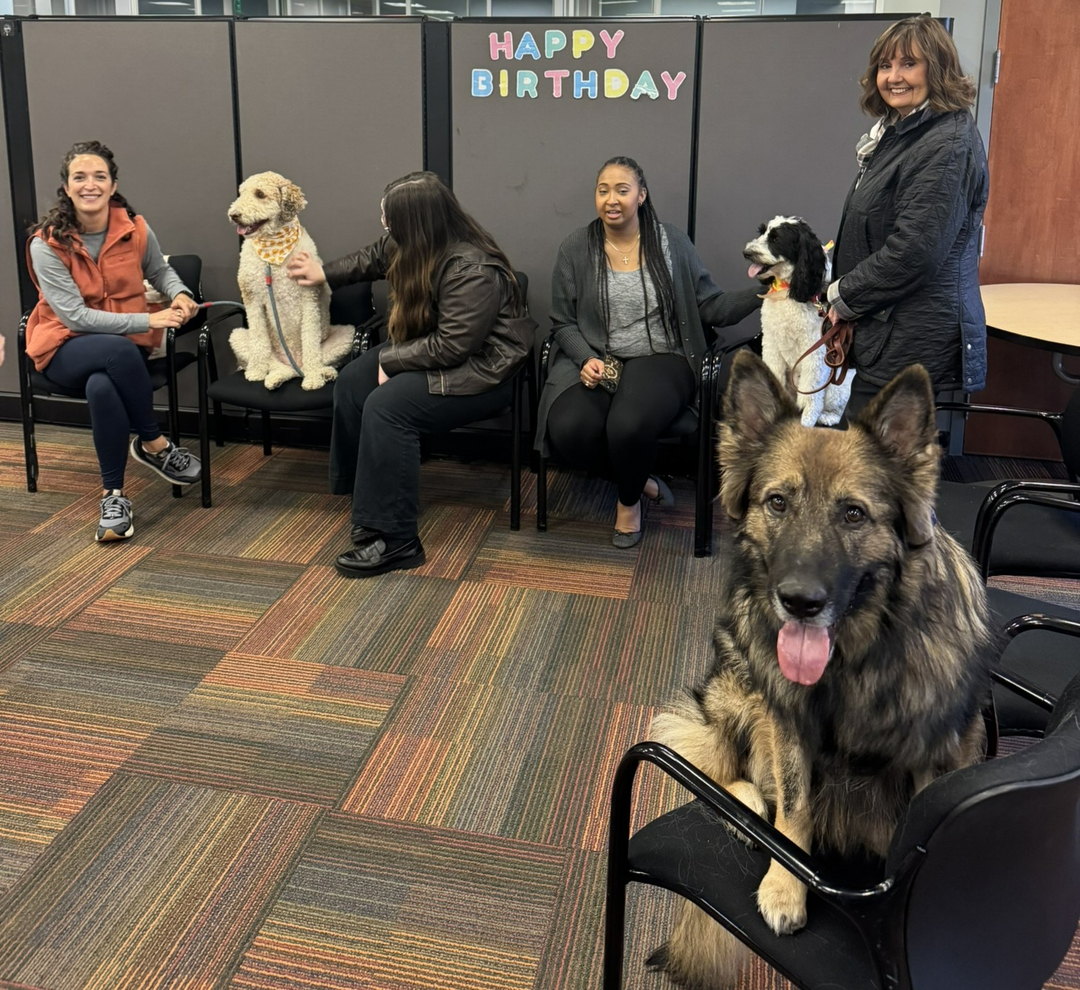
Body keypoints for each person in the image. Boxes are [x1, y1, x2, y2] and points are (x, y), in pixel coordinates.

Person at [286, 171, 535, 577]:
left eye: (389, 218)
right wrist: (323, 272)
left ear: (414, 222)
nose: (384, 224)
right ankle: (367, 496)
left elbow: (455, 346)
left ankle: (398, 540)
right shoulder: (410, 242)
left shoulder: (471, 267)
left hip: (485, 371)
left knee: (386, 407)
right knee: (351, 383)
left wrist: (391, 362)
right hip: (436, 351)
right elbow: (371, 257)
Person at [536, 155, 764, 548]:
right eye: (603, 190)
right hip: (598, 359)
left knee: (627, 426)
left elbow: (708, 305)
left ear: (641, 195)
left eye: (622, 190)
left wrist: (764, 292)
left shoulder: (670, 241)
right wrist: (584, 358)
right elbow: (563, 321)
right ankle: (642, 481)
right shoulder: (576, 247)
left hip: (661, 357)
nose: (612, 199)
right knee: (568, 430)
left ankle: (628, 504)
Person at [25, 140, 202, 542]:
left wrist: (179, 294)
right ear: (67, 188)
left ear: (113, 183)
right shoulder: (46, 243)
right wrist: (150, 317)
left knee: (103, 386)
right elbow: (74, 316)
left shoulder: (135, 228)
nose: (90, 184)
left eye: (99, 176)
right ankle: (154, 442)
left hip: (118, 354)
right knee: (117, 351)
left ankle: (114, 496)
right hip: (64, 346)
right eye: (80, 177)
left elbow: (160, 271)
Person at [827, 15, 989, 414]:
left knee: (876, 465)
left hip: (914, 335)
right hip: (889, 327)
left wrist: (844, 294)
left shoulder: (946, 144)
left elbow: (915, 251)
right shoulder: (900, 132)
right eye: (885, 65)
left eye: (908, 64)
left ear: (937, 70)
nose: (893, 77)